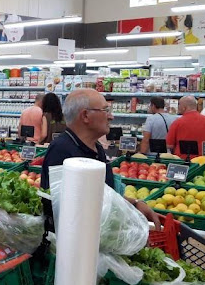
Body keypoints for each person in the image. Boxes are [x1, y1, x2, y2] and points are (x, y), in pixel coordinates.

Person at [41, 88, 160, 229]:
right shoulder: (62, 151)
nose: (111, 117)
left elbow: (103, 197)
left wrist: (133, 204)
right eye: (105, 111)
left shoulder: (96, 148)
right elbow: (64, 213)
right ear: (85, 115)